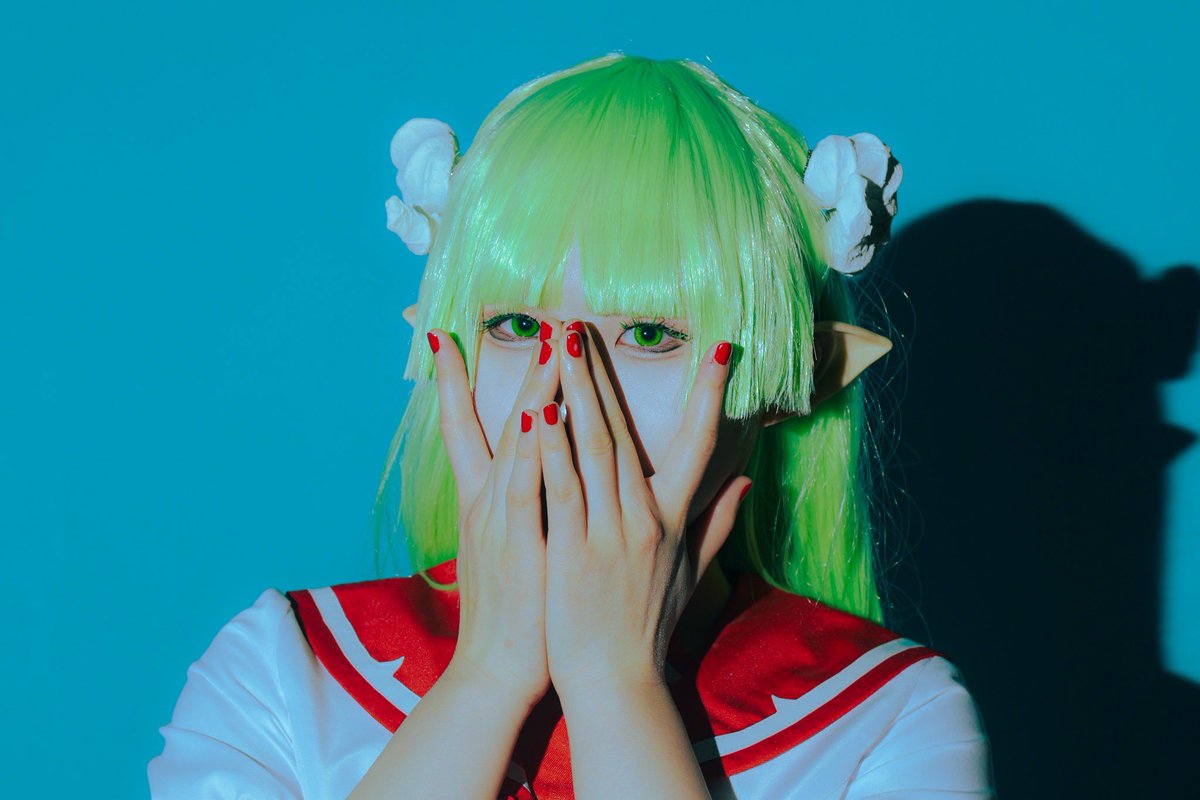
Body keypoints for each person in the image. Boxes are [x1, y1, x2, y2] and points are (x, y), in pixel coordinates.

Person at [149, 53, 993, 798]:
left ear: (793, 377)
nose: (559, 390)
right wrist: (487, 675)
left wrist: (617, 682)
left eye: (651, 335)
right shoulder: (280, 671)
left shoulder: (890, 720)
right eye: (516, 326)